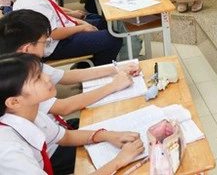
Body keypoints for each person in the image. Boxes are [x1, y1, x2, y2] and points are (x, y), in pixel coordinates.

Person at [0, 52, 143, 175]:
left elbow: (66, 136)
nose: (47, 77)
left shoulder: (27, 112)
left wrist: (108, 135)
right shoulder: (9, 151)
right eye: (37, 78)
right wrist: (118, 162)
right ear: (14, 102)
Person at [0, 10, 138, 119]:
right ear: (27, 49)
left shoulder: (23, 62)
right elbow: (64, 107)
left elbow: (66, 76)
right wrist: (113, 86)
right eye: (45, 42)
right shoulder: (14, 79)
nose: (46, 78)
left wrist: (115, 68)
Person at [9, 0, 122, 66]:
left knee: (103, 22)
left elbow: (56, 14)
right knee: (112, 39)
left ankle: (86, 65)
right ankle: (97, 74)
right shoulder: (33, 3)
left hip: (62, 30)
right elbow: (53, 33)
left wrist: (80, 22)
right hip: (54, 45)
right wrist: (82, 27)